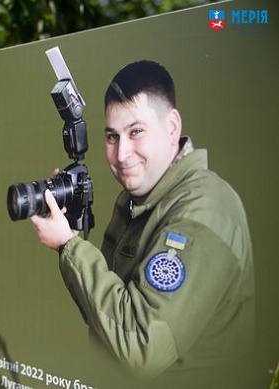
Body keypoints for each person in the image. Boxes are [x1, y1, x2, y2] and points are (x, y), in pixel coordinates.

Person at [30, 60, 254, 385]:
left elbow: (139, 344)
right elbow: (106, 317)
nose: (122, 154)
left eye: (136, 132)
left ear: (172, 126)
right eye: (111, 136)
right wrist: (70, 234)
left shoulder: (202, 210)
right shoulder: (139, 199)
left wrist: (70, 246)